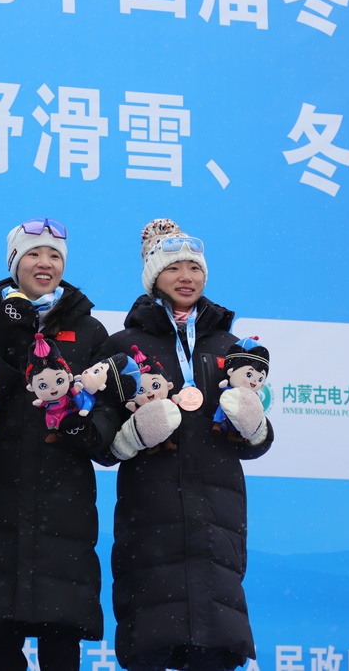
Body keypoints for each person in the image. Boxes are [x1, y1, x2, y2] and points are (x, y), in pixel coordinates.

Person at [94, 218, 274, 671]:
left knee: (214, 646)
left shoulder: (233, 347)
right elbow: (101, 442)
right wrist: (132, 436)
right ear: (154, 276)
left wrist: (255, 426)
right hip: (150, 512)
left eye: (194, 267)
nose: (186, 276)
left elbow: (254, 442)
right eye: (173, 267)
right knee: (152, 641)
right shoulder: (123, 346)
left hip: (218, 512)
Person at [0, 218, 114, 671]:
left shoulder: (89, 330)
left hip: (65, 499)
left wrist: (85, 430)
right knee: (1, 633)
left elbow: (108, 410)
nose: (44, 263)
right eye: (33, 253)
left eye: (54, 255)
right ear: (14, 263)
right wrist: (16, 338)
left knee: (61, 634)